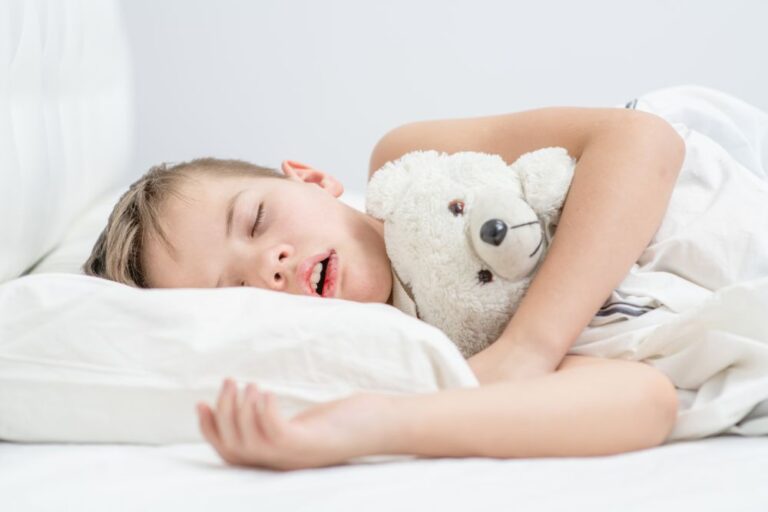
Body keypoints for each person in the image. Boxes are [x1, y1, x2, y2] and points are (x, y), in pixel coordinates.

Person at [84, 102, 687, 471]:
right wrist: (375, 426)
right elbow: (647, 402)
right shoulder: (418, 352)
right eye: (235, 290)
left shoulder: (410, 159)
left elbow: (643, 138)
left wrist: (530, 346)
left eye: (257, 220)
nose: (272, 263)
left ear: (311, 178)